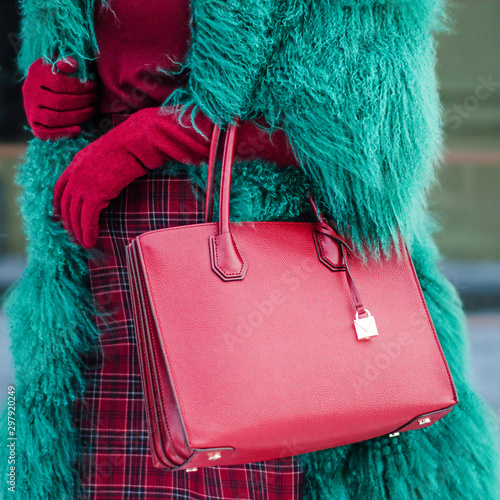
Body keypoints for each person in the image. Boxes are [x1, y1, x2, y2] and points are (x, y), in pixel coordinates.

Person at [4, 0, 499, 499]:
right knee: (95, 469)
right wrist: (50, 88)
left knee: (265, 473)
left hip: (260, 258)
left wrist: (158, 135)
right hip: (98, 259)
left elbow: (370, 143)